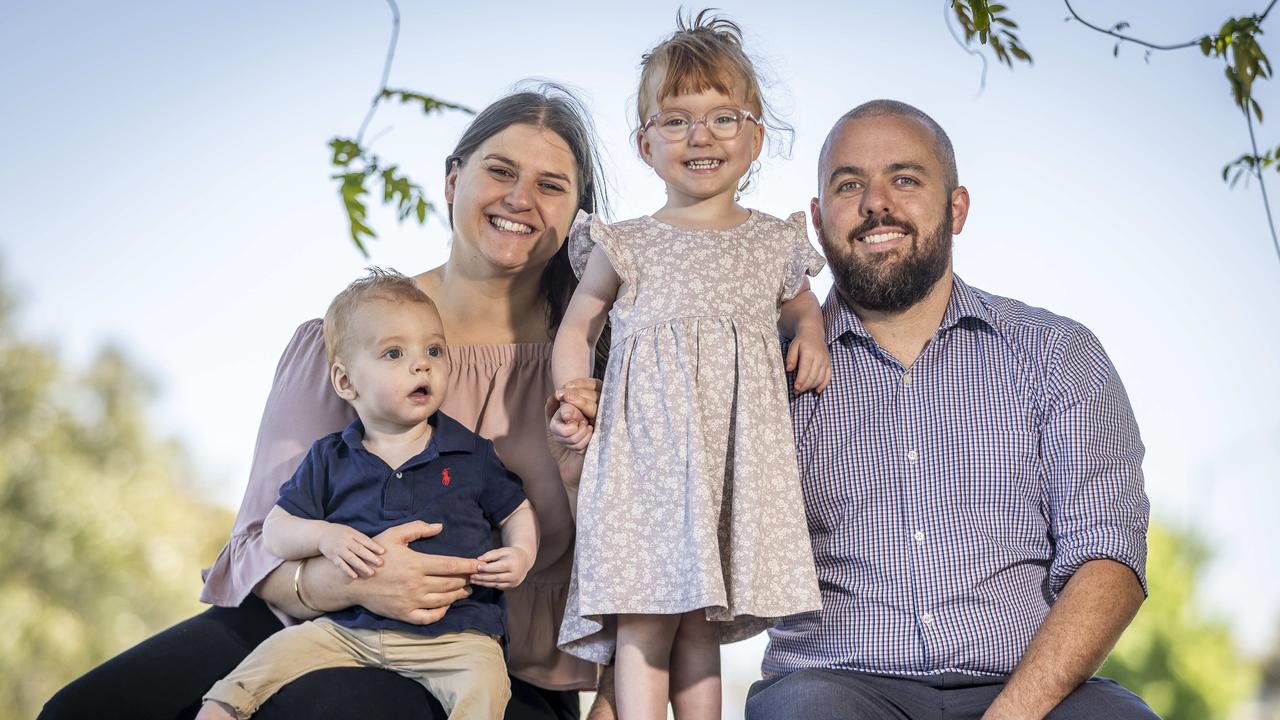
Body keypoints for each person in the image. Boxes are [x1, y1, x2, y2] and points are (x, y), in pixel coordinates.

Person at [42, 86, 610, 720]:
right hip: (311, 622)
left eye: (551, 185)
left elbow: (659, 554)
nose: (519, 199)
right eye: (500, 171)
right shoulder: (347, 340)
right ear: (453, 181)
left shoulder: (600, 366)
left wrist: (616, 699)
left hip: (495, 663)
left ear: (578, 214)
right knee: (81, 712)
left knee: (324, 709)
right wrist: (347, 581)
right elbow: (260, 538)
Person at [744, 100, 1157, 719]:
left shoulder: (1055, 354)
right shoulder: (762, 371)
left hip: (1028, 687)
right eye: (849, 184)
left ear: (956, 208)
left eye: (904, 180)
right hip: (837, 684)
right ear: (816, 219)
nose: (876, 202)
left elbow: (1108, 558)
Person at [549, 11, 826, 719]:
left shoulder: (771, 242)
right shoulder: (628, 243)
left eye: (721, 117)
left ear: (756, 136)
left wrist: (811, 333)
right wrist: (572, 392)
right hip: (645, 458)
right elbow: (579, 324)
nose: (700, 137)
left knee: (702, 619)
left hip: (729, 455)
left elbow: (798, 305)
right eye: (676, 121)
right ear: (646, 145)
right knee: (645, 612)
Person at [196, 269, 538, 720]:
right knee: (265, 661)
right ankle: (220, 711)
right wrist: (323, 537)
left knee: (487, 684)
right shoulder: (332, 457)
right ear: (345, 382)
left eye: (433, 350)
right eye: (394, 354)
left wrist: (521, 554)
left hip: (455, 637)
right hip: (346, 629)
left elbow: (517, 510)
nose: (422, 364)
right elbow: (276, 531)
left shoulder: (470, 453)